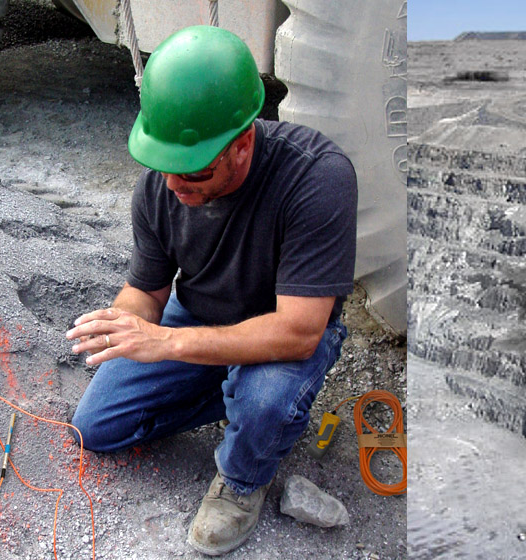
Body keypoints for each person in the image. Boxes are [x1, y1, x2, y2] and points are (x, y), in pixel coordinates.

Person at [64, 25, 357, 556]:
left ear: (242, 143)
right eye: (165, 167)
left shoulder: (317, 179)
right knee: (97, 427)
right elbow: (146, 291)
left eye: (193, 172)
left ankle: (245, 476)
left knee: (267, 397)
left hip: (283, 331)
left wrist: (169, 345)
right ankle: (236, 397)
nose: (176, 186)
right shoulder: (163, 181)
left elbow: (298, 332)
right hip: (197, 315)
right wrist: (123, 325)